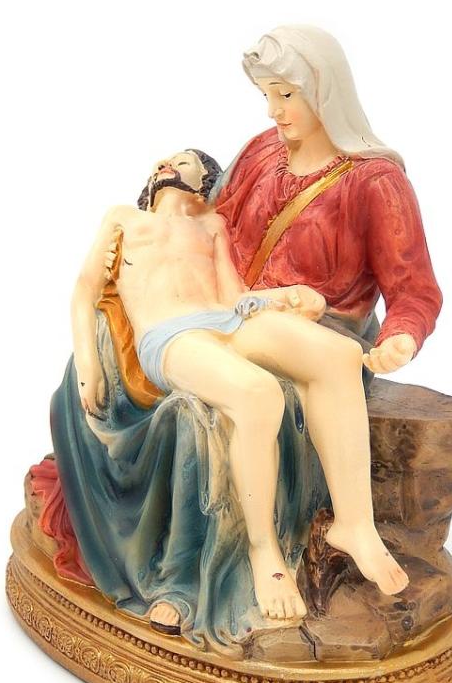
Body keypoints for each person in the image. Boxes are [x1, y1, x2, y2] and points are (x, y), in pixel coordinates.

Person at [70, 148, 409, 630]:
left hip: (227, 319)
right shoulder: (124, 219)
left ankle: (355, 524)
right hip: (171, 334)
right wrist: (88, 364)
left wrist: (288, 299)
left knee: (339, 356)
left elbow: (235, 297)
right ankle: (263, 548)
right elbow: (84, 291)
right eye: (164, 159)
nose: (168, 163)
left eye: (184, 159)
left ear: (204, 181)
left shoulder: (211, 225)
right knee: (258, 394)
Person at [213, 25, 443, 377]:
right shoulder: (261, 151)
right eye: (266, 95)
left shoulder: (376, 182)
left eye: (285, 94)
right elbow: (210, 221)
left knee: (233, 386)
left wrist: (401, 337)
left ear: (324, 92)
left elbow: (413, 289)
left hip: (317, 344)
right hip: (228, 316)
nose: (273, 110)